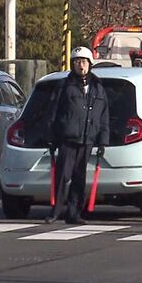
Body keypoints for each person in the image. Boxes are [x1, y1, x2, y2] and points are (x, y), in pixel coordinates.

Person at [44, 46, 110, 225]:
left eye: (83, 62)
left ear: (90, 64)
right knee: (63, 176)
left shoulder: (98, 87)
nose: (80, 65)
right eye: (77, 62)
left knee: (80, 177)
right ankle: (56, 211)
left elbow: (103, 115)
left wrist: (103, 140)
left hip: (88, 139)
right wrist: (51, 136)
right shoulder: (64, 86)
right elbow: (53, 111)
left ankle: (74, 213)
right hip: (68, 138)